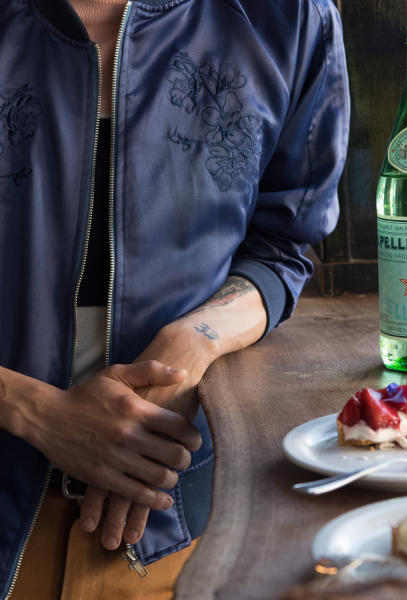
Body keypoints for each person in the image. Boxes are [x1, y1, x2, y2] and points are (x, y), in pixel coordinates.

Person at [0, 0, 349, 597]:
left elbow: (283, 244)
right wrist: (31, 409)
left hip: (182, 521)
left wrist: (193, 343)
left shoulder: (287, 17)